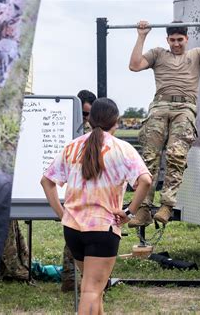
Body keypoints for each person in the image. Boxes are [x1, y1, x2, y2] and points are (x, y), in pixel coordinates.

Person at [41, 98, 152, 314]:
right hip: (103, 229)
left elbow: (47, 181)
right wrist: (129, 212)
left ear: (90, 120)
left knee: (95, 288)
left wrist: (62, 214)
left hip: (73, 229)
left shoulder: (71, 147)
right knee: (92, 289)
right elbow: (146, 181)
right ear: (116, 122)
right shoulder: (122, 148)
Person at [127, 18, 200, 227]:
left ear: (187, 38)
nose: (176, 44)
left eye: (180, 39)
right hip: (160, 106)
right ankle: (144, 209)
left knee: (176, 154)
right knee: (149, 157)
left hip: (184, 108)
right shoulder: (157, 54)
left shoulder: (197, 55)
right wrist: (141, 36)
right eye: (172, 40)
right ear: (167, 39)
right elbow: (135, 65)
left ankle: (167, 205)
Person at [61, 89, 97, 293]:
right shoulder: (67, 130)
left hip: (89, 194)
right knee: (73, 240)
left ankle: (86, 281)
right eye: (84, 115)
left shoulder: (95, 134)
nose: (87, 119)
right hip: (71, 192)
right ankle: (70, 280)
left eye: (90, 115)